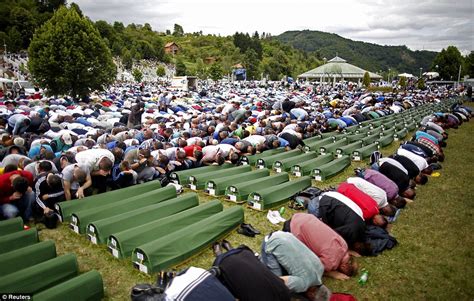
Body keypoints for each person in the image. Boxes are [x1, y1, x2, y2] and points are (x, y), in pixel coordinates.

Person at [283, 213, 358, 280]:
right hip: (293, 228)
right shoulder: (331, 262)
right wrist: (332, 274)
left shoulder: (344, 245)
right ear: (343, 267)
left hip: (304, 216)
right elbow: (315, 269)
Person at [260, 231, 330, 300]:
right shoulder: (303, 284)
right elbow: (279, 282)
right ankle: (257, 262)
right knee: (276, 286)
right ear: (312, 294)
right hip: (270, 243)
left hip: (284, 235)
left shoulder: (321, 268)